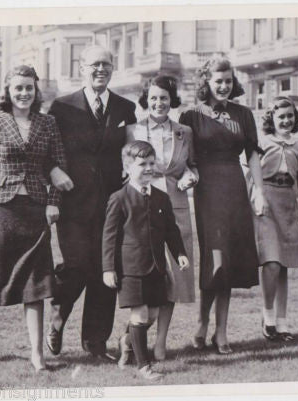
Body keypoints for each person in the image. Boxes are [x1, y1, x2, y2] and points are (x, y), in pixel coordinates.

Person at [0, 65, 67, 371]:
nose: (24, 93)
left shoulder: (47, 123)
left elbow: (59, 164)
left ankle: (37, 354)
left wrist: (52, 203)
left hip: (35, 209)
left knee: (35, 281)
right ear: (8, 91)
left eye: (29, 88)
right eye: (18, 88)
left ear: (36, 91)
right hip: (0, 209)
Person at [45, 46, 137, 361]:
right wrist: (54, 172)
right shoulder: (61, 107)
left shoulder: (126, 107)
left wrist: (131, 168)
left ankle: (96, 343)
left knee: (106, 270)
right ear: (82, 67)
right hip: (73, 203)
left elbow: (132, 149)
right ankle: (57, 316)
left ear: (114, 68)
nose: (101, 69)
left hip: (112, 204)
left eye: (106, 64)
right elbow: (47, 151)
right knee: (76, 265)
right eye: (94, 64)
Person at [179, 56, 266, 354]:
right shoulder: (190, 115)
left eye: (228, 81)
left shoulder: (243, 114)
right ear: (206, 82)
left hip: (235, 189)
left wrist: (259, 192)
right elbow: (184, 157)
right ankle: (202, 323)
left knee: (228, 261)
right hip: (207, 191)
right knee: (214, 259)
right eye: (218, 81)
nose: (224, 86)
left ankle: (221, 331)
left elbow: (252, 154)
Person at [102, 140, 189, 380]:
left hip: (156, 267)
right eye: (143, 164)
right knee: (139, 315)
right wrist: (108, 268)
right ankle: (144, 367)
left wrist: (180, 253)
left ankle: (127, 340)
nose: (149, 168)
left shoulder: (161, 197)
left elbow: (171, 230)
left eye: (152, 163)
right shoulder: (118, 198)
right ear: (127, 166)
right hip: (131, 267)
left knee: (151, 316)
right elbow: (109, 237)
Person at [125, 75, 198, 360]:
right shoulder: (132, 130)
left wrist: (190, 177)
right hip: (143, 209)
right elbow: (127, 168)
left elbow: (190, 167)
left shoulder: (185, 132)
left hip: (176, 208)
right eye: (153, 97)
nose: (159, 103)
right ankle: (132, 337)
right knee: (148, 275)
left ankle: (161, 342)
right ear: (146, 100)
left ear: (172, 99)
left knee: (175, 279)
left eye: (164, 97)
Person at [248, 97, 298, 342]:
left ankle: (282, 321)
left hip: (289, 202)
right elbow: (250, 173)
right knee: (272, 261)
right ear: (271, 120)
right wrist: (255, 196)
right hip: (266, 201)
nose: (286, 121)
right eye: (281, 117)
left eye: (289, 116)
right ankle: (268, 316)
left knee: (284, 264)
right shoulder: (262, 142)